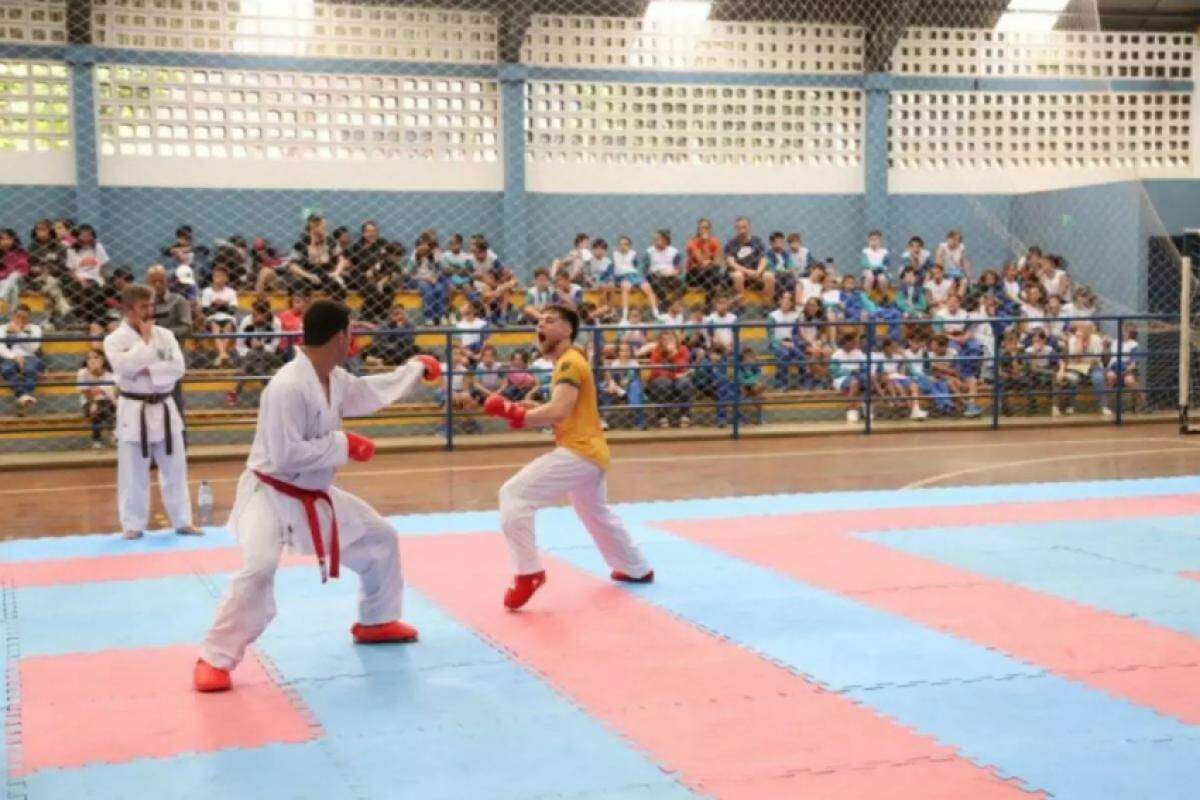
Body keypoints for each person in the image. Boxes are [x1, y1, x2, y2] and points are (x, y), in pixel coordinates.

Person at [194, 300, 442, 692]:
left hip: (313, 491)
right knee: (258, 569)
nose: (354, 340)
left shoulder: (334, 378)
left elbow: (366, 393)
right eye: (352, 333)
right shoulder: (288, 386)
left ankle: (376, 619)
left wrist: (413, 371)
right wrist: (344, 445)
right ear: (341, 335)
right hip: (270, 494)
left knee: (381, 538)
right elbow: (284, 454)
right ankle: (214, 656)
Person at [481, 305, 653, 610]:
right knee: (595, 512)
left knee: (513, 495)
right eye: (539, 321)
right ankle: (635, 567)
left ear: (567, 330)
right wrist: (523, 409)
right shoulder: (570, 362)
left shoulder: (569, 363)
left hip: (579, 452)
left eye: (550, 321)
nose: (540, 326)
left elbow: (558, 411)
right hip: (591, 450)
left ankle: (528, 572)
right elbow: (561, 411)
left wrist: (513, 413)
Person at [103, 284, 200, 539]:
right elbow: (124, 369)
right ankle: (133, 525)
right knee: (133, 471)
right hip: (134, 411)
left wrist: (148, 370)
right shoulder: (114, 340)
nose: (150, 311)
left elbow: (178, 368)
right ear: (128, 309)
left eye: (151, 305)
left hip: (166, 406)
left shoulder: (166, 335)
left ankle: (183, 521)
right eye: (143, 306)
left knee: (175, 468)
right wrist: (145, 345)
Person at [0, 304, 43, 414]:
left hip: (30, 357)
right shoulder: (2, 328)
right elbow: (1, 348)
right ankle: (24, 396)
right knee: (6, 369)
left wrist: (19, 332)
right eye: (18, 316)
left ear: (28, 318)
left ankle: (23, 396)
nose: (20, 319)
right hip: (8, 357)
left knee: (30, 370)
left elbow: (33, 348)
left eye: (24, 317)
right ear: (13, 316)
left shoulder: (35, 329)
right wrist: (14, 357)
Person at [77, 348, 116, 447]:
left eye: (96, 357)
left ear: (103, 360)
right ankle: (112, 434)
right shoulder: (83, 373)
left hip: (109, 403)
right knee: (98, 408)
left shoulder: (109, 375)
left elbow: (110, 394)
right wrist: (93, 402)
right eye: (89, 358)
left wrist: (99, 392)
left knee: (103, 406)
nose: (92, 360)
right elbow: (86, 392)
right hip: (88, 403)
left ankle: (97, 440)